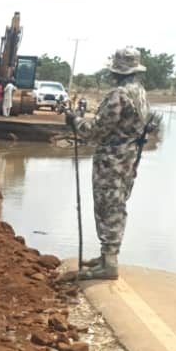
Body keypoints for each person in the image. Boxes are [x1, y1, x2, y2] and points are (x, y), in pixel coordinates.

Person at [67, 48, 157, 280]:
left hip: (112, 161)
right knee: (117, 205)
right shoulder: (140, 93)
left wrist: (75, 121)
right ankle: (107, 256)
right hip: (129, 159)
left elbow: (96, 132)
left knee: (108, 207)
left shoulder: (119, 95)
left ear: (117, 71)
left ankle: (109, 264)